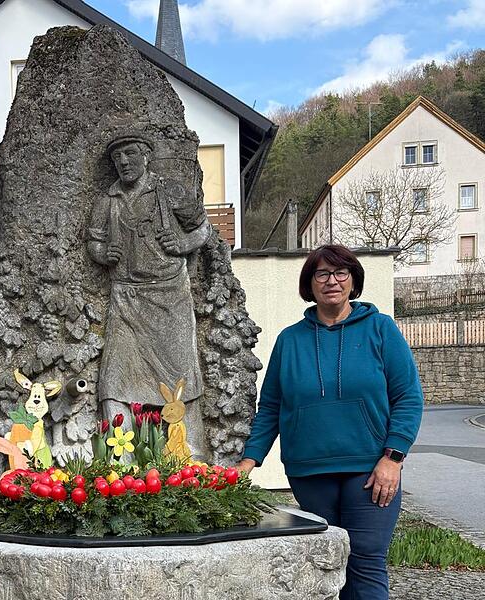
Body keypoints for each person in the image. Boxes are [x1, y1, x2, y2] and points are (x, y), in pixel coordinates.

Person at [238, 244, 423, 600]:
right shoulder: (290, 340)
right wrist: (248, 462)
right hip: (310, 473)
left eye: (341, 273)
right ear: (310, 284)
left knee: (366, 562)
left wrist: (393, 457)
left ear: (354, 281)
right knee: (323, 566)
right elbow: (271, 407)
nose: (332, 281)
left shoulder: (380, 329)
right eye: (321, 274)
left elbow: (408, 397)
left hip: (370, 470)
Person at [87, 133, 211, 451]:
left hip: (170, 295)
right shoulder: (108, 200)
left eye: (130, 154)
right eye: (117, 158)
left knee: (181, 375)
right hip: (126, 297)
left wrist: (184, 244)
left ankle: (190, 453)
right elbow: (94, 241)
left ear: (145, 156)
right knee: (115, 376)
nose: (124, 162)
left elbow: (203, 227)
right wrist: (103, 253)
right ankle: (118, 455)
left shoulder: (169, 191)